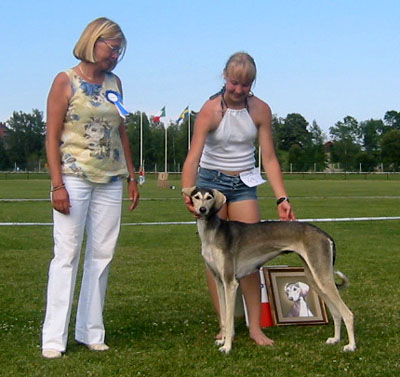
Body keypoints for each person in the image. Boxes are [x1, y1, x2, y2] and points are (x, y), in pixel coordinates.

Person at [181, 52, 296, 346]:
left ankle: (255, 327)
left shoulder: (260, 110)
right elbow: (193, 156)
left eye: (245, 85)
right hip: (210, 182)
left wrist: (281, 197)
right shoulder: (209, 110)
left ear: (252, 84)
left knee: (250, 257)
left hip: (245, 182)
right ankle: (225, 326)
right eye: (234, 83)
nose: (238, 90)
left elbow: (268, 158)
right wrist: (187, 193)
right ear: (225, 77)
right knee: (215, 259)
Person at [42, 17, 139, 359]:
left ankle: (90, 331)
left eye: (119, 50)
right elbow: (52, 138)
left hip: (111, 180)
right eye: (111, 47)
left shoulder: (116, 82)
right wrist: (57, 185)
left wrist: (131, 176)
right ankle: (54, 338)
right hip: (73, 179)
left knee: (102, 256)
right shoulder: (64, 81)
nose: (114, 55)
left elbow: (121, 131)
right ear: (92, 41)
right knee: (66, 256)